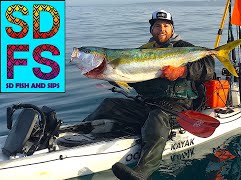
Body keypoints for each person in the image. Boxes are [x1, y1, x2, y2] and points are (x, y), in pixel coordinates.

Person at [83, 10, 216, 180]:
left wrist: (182, 71)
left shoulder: (185, 48)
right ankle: (79, 134)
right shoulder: (141, 52)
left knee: (157, 118)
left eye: (166, 26)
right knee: (108, 105)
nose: (162, 29)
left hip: (176, 107)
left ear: (172, 29)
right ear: (151, 30)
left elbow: (208, 69)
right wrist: (109, 77)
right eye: (157, 26)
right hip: (146, 104)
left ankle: (143, 171)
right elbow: (131, 79)